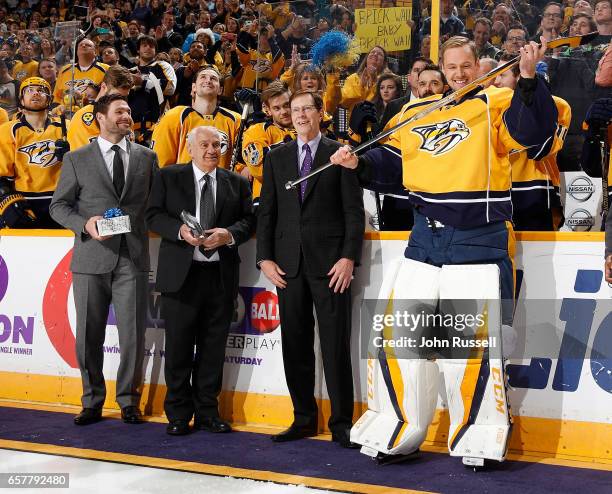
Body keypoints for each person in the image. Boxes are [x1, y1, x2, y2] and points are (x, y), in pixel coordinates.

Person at [330, 36, 557, 465]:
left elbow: (534, 135)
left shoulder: (498, 101)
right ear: (441, 68)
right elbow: (393, 167)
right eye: (450, 67)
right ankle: (400, 424)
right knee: (400, 339)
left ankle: (479, 433)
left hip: (476, 238)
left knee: (466, 348)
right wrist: (358, 163)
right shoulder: (414, 111)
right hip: (423, 240)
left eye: (465, 66)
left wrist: (528, 81)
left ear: (477, 65)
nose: (457, 74)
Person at [256, 90, 365, 448]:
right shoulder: (276, 157)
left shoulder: (340, 153)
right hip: (288, 267)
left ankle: (341, 424)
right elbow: (268, 212)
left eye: (307, 109)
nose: (300, 115)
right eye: (295, 109)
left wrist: (349, 257)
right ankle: (302, 418)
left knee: (335, 347)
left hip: (331, 266)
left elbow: (353, 211)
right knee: (295, 345)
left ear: (321, 112)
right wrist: (264, 258)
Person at [49, 93, 159, 426]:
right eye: (120, 111)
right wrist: (85, 224)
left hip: (133, 257)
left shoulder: (148, 157)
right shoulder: (76, 159)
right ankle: (92, 400)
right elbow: (58, 206)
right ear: (100, 117)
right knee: (88, 335)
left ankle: (129, 401)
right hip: (90, 258)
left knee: (133, 336)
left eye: (128, 111)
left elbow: (154, 206)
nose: (127, 116)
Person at [146, 126, 255, 436]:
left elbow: (249, 220)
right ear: (190, 148)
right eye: (204, 144)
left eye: (217, 144)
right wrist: (179, 231)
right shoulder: (169, 176)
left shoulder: (236, 182)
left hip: (220, 278)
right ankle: (178, 414)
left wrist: (229, 234)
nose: (212, 150)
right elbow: (151, 215)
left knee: (212, 349)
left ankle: (208, 412)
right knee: (178, 348)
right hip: (181, 278)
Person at [0, 77, 69, 228]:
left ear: (49, 100)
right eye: (29, 90)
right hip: (24, 201)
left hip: (62, 201)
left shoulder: (66, 127)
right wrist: (8, 200)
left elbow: (87, 169)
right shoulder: (7, 130)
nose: (35, 93)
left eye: (41, 90)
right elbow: (2, 176)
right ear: (21, 100)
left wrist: (72, 157)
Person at [152, 65, 241, 171]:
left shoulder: (236, 120)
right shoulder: (174, 116)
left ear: (220, 90)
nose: (208, 81)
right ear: (194, 87)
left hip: (221, 185)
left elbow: (242, 164)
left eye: (213, 78)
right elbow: (161, 165)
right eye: (203, 77)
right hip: (183, 186)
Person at [242, 81, 295, 201]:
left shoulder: (305, 131)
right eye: (277, 108)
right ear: (268, 110)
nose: (284, 112)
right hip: (268, 201)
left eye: (287, 105)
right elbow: (261, 170)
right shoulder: (256, 131)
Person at [67, 65, 134, 150]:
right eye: (115, 96)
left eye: (124, 97)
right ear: (103, 87)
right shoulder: (85, 117)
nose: (120, 101)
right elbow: (84, 158)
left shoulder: (126, 115)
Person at [53, 38, 109, 110]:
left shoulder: (106, 69)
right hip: (65, 114)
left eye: (88, 45)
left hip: (93, 111)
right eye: (80, 45)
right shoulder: (64, 70)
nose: (84, 45)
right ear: (76, 52)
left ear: (95, 52)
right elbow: (56, 97)